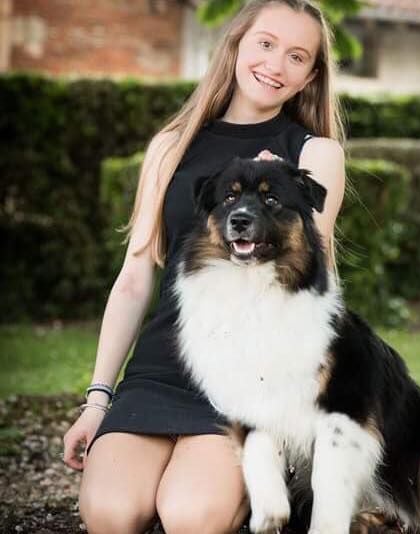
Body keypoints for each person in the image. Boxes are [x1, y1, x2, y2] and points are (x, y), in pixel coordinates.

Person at [62, 0, 347, 532]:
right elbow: (134, 280)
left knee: (191, 516)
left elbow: (311, 280)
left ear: (310, 75)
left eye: (296, 56)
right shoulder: (171, 146)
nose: (275, 64)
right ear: (236, 45)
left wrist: (273, 196)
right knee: (110, 514)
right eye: (265, 44)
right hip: (160, 371)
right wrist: (98, 400)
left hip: (248, 383)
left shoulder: (314, 155)